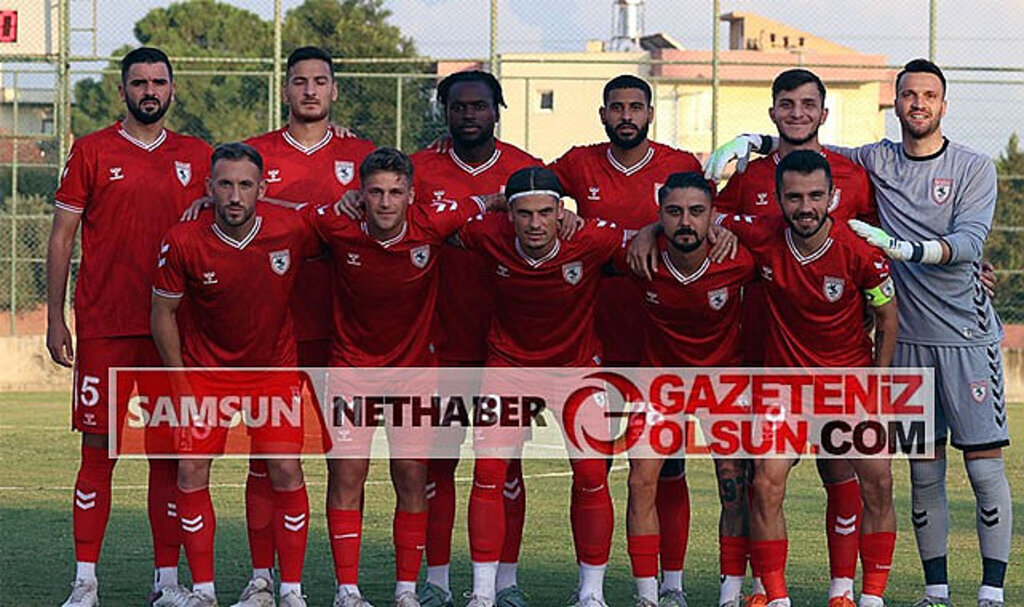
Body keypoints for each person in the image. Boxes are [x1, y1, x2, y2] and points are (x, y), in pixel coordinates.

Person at [708, 58, 1013, 607]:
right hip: (868, 349)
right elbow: (797, 154)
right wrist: (750, 141)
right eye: (909, 94)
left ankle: (984, 591)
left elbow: (966, 242)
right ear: (895, 102)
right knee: (920, 470)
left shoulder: (963, 167)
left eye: (929, 95)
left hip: (949, 337)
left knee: (975, 468)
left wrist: (915, 254)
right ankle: (932, 591)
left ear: (943, 105)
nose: (918, 104)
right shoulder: (872, 159)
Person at [46, 47, 212, 607]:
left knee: (169, 456)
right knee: (98, 452)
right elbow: (62, 237)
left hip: (173, 334)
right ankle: (85, 582)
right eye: (139, 82)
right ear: (122, 91)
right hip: (106, 326)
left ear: (172, 89)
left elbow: (247, 201)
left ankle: (166, 582)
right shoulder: (91, 150)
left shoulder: (198, 156)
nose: (149, 91)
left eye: (158, 82)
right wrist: (56, 317)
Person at [713, 69, 878, 607]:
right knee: (755, 478)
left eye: (808, 104)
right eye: (787, 104)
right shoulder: (750, 173)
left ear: (824, 113)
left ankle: (843, 590)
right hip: (763, 350)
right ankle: (764, 588)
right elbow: (705, 218)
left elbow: (877, 248)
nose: (798, 113)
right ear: (773, 112)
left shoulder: (853, 175)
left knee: (840, 470)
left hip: (837, 357)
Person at [313, 147, 505, 607]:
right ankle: (347, 590)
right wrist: (207, 204)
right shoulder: (337, 224)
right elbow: (278, 215)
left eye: (395, 192)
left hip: (413, 375)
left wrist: (556, 210)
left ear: (411, 196)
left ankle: (405, 590)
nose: (385, 202)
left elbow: (489, 200)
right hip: (351, 372)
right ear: (360, 195)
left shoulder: (432, 222)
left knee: (412, 475)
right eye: (375, 192)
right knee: (347, 475)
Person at [548, 75, 706, 604]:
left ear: (650, 113)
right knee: (592, 469)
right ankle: (590, 589)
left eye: (635, 107)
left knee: (666, 469)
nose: (626, 116)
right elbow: (527, 190)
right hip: (594, 336)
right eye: (616, 107)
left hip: (661, 342)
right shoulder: (579, 163)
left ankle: (673, 584)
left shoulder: (678, 163)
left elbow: (700, 217)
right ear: (603, 114)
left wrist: (651, 231)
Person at [150, 142, 320, 607]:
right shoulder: (183, 239)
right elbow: (162, 313)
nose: (235, 196)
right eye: (224, 184)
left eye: (246, 185)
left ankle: (291, 591)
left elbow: (338, 227)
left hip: (273, 371)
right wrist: (180, 384)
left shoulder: (290, 227)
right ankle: (203, 592)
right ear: (209, 188)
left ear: (262, 189)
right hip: (206, 373)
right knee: (190, 469)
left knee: (285, 469)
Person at [235, 45, 375, 607]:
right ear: (285, 89)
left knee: (347, 463)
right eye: (300, 81)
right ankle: (262, 579)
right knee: (267, 460)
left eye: (320, 81)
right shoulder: (256, 155)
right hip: (272, 333)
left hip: (344, 334)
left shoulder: (363, 157)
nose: (310, 90)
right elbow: (226, 212)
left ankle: (347, 586)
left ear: (334, 89)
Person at [455, 167, 631, 607]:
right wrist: (489, 200)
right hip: (509, 366)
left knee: (591, 475)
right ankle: (483, 593)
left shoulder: (591, 239)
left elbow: (644, 239)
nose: (535, 224)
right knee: (488, 473)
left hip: (576, 369)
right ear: (509, 215)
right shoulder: (486, 233)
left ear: (561, 212)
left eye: (546, 213)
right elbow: (440, 222)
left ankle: (591, 594)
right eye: (525, 213)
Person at [411, 70, 542, 607]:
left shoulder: (525, 170)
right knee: (438, 464)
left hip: (506, 348)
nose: (469, 115)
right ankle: (437, 581)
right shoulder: (419, 169)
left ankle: (505, 583)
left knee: (505, 467)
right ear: (444, 111)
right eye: (458, 106)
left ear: (497, 110)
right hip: (441, 342)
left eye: (479, 106)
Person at [613, 171, 755, 607]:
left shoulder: (739, 259)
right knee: (641, 480)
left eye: (696, 211)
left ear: (713, 214)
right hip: (660, 383)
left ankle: (730, 595)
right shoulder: (640, 256)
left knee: (733, 485)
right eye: (674, 212)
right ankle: (649, 595)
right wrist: (643, 233)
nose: (686, 222)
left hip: (722, 383)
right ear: (659, 214)